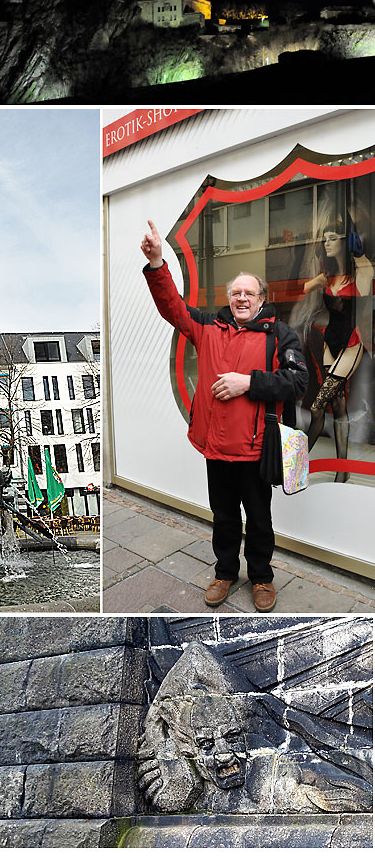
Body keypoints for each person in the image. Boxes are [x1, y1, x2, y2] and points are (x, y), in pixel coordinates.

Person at [141, 220, 308, 612]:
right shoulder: (207, 327)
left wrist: (247, 382)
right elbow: (172, 306)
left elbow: (298, 381)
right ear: (228, 298)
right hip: (216, 448)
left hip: (256, 450)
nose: (242, 298)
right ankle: (225, 573)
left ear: (262, 299)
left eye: (249, 293)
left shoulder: (280, 335)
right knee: (223, 516)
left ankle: (262, 579)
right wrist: (157, 263)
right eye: (236, 293)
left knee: (260, 519)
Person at [302, 219, 373, 482]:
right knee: (337, 404)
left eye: (333, 237)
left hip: (352, 344)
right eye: (325, 238)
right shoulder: (327, 276)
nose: (327, 242)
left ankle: (299, 463)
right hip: (330, 344)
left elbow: (365, 271)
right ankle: (342, 470)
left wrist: (359, 247)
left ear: (345, 242)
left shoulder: (361, 272)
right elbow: (302, 288)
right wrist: (315, 283)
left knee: (318, 406)